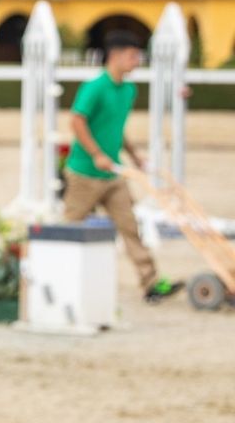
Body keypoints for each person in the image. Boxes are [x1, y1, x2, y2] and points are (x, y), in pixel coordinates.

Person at [63, 31, 183, 302]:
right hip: (84, 173)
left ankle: (150, 283)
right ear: (115, 56)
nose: (137, 61)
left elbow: (115, 127)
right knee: (69, 227)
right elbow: (77, 121)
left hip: (114, 174)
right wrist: (96, 154)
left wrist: (134, 155)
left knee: (130, 227)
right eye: (132, 56)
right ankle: (58, 278)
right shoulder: (94, 87)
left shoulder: (128, 90)